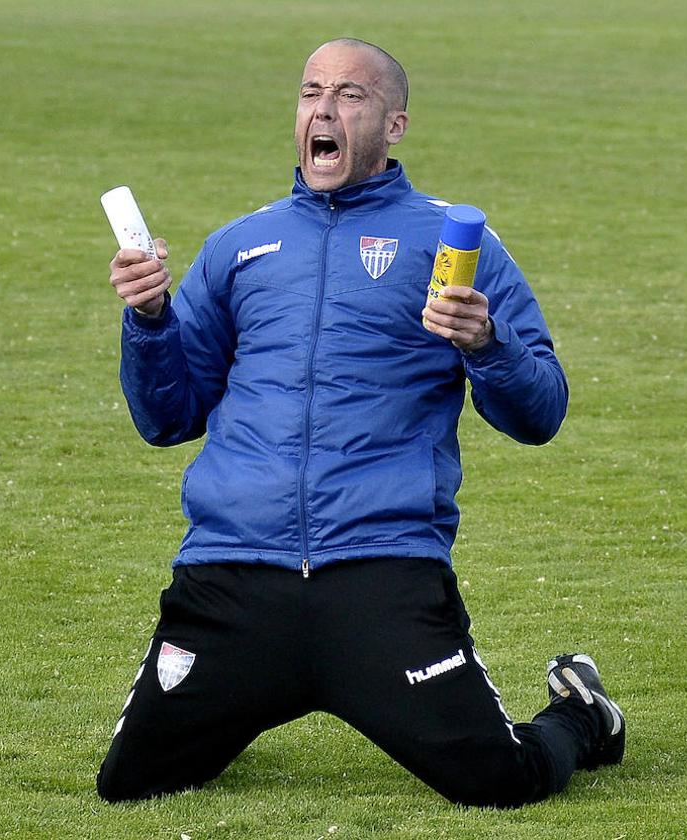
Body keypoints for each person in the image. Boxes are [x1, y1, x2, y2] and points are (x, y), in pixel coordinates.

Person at [96, 38, 624, 808]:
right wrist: (148, 320)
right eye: (312, 92)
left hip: (380, 572)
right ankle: (220, 710)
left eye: (351, 95)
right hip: (234, 574)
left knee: (499, 785)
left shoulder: (452, 243)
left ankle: (583, 714)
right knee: (129, 786)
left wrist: (486, 344)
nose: (325, 109)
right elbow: (165, 417)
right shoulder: (239, 247)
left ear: (395, 124)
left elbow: (540, 412)